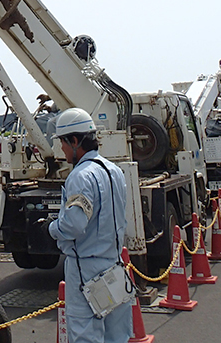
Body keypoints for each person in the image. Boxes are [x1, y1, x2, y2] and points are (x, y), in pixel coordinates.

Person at [47, 108, 132, 343]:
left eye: (63, 142)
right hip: (114, 265)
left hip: (86, 269)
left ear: (74, 141)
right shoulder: (114, 171)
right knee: (117, 336)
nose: (61, 148)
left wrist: (51, 228)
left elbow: (74, 224)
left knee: (86, 335)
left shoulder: (80, 176)